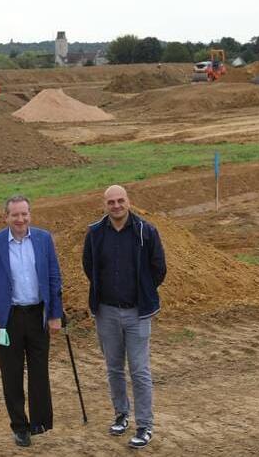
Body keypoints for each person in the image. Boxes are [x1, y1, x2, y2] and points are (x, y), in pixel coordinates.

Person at [82, 185, 166, 449]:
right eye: (111, 202)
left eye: (120, 201)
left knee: (139, 370)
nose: (116, 206)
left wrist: (142, 290)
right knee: (114, 368)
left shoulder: (146, 231)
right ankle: (121, 414)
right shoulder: (95, 233)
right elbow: (89, 266)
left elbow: (158, 269)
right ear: (104, 205)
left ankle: (144, 425)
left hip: (137, 313)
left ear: (129, 202)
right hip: (106, 311)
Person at [0, 195, 64, 447]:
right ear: (6, 217)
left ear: (30, 215)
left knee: (39, 371)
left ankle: (39, 422)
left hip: (38, 316)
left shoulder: (43, 239)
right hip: (6, 319)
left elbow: (54, 277)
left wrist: (55, 314)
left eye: (24, 214)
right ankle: (19, 426)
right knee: (11, 374)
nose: (20, 219)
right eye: (15, 215)